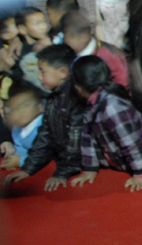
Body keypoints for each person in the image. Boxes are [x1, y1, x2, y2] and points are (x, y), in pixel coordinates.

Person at [4, 45, 83, 190]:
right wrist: (28, 169)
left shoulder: (76, 100)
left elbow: (75, 142)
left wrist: (62, 173)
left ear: (63, 72)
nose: (39, 77)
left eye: (42, 71)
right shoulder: (54, 100)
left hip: (84, 167)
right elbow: (45, 136)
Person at [70, 56, 142, 192]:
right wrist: (90, 168)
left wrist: (140, 172)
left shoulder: (112, 107)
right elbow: (87, 138)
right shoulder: (90, 103)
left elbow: (130, 142)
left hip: (133, 162)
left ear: (78, 87)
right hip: (115, 162)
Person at [61, 10, 130, 89]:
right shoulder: (68, 53)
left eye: (71, 36)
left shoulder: (111, 56)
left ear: (84, 36)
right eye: (65, 35)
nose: (65, 40)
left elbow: (123, 85)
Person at [0, 83, 45, 171]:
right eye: (15, 108)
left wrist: (22, 160)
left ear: (40, 107)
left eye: (25, 105)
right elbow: (20, 146)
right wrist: (14, 157)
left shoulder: (45, 127)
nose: (21, 111)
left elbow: (47, 154)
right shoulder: (17, 129)